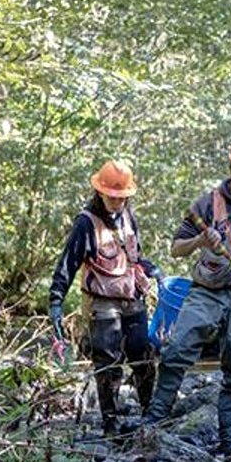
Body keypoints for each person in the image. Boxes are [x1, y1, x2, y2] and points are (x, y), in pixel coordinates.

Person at [125, 140, 231, 462]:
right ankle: (151, 425)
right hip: (208, 291)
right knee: (176, 351)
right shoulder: (207, 204)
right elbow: (177, 248)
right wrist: (201, 240)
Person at [49, 160, 162, 437]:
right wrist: (55, 301)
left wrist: (151, 269)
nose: (116, 201)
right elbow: (68, 264)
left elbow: (133, 258)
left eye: (122, 197)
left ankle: (149, 415)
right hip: (101, 300)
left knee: (143, 354)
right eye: (112, 196)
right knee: (108, 360)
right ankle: (110, 424)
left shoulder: (129, 218)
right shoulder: (85, 223)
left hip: (131, 295)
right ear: (99, 192)